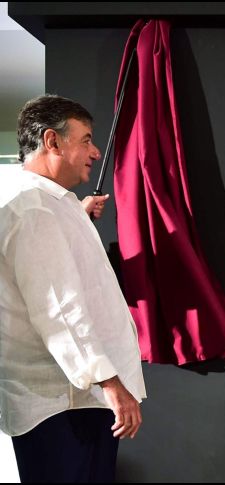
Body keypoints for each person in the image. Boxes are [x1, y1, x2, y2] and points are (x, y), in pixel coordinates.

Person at [0, 94, 146, 482]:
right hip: (64, 405)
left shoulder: (46, 205)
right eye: (85, 139)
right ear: (52, 141)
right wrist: (110, 383)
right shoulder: (34, 210)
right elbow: (58, 310)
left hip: (73, 401)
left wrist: (76, 215)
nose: (95, 151)